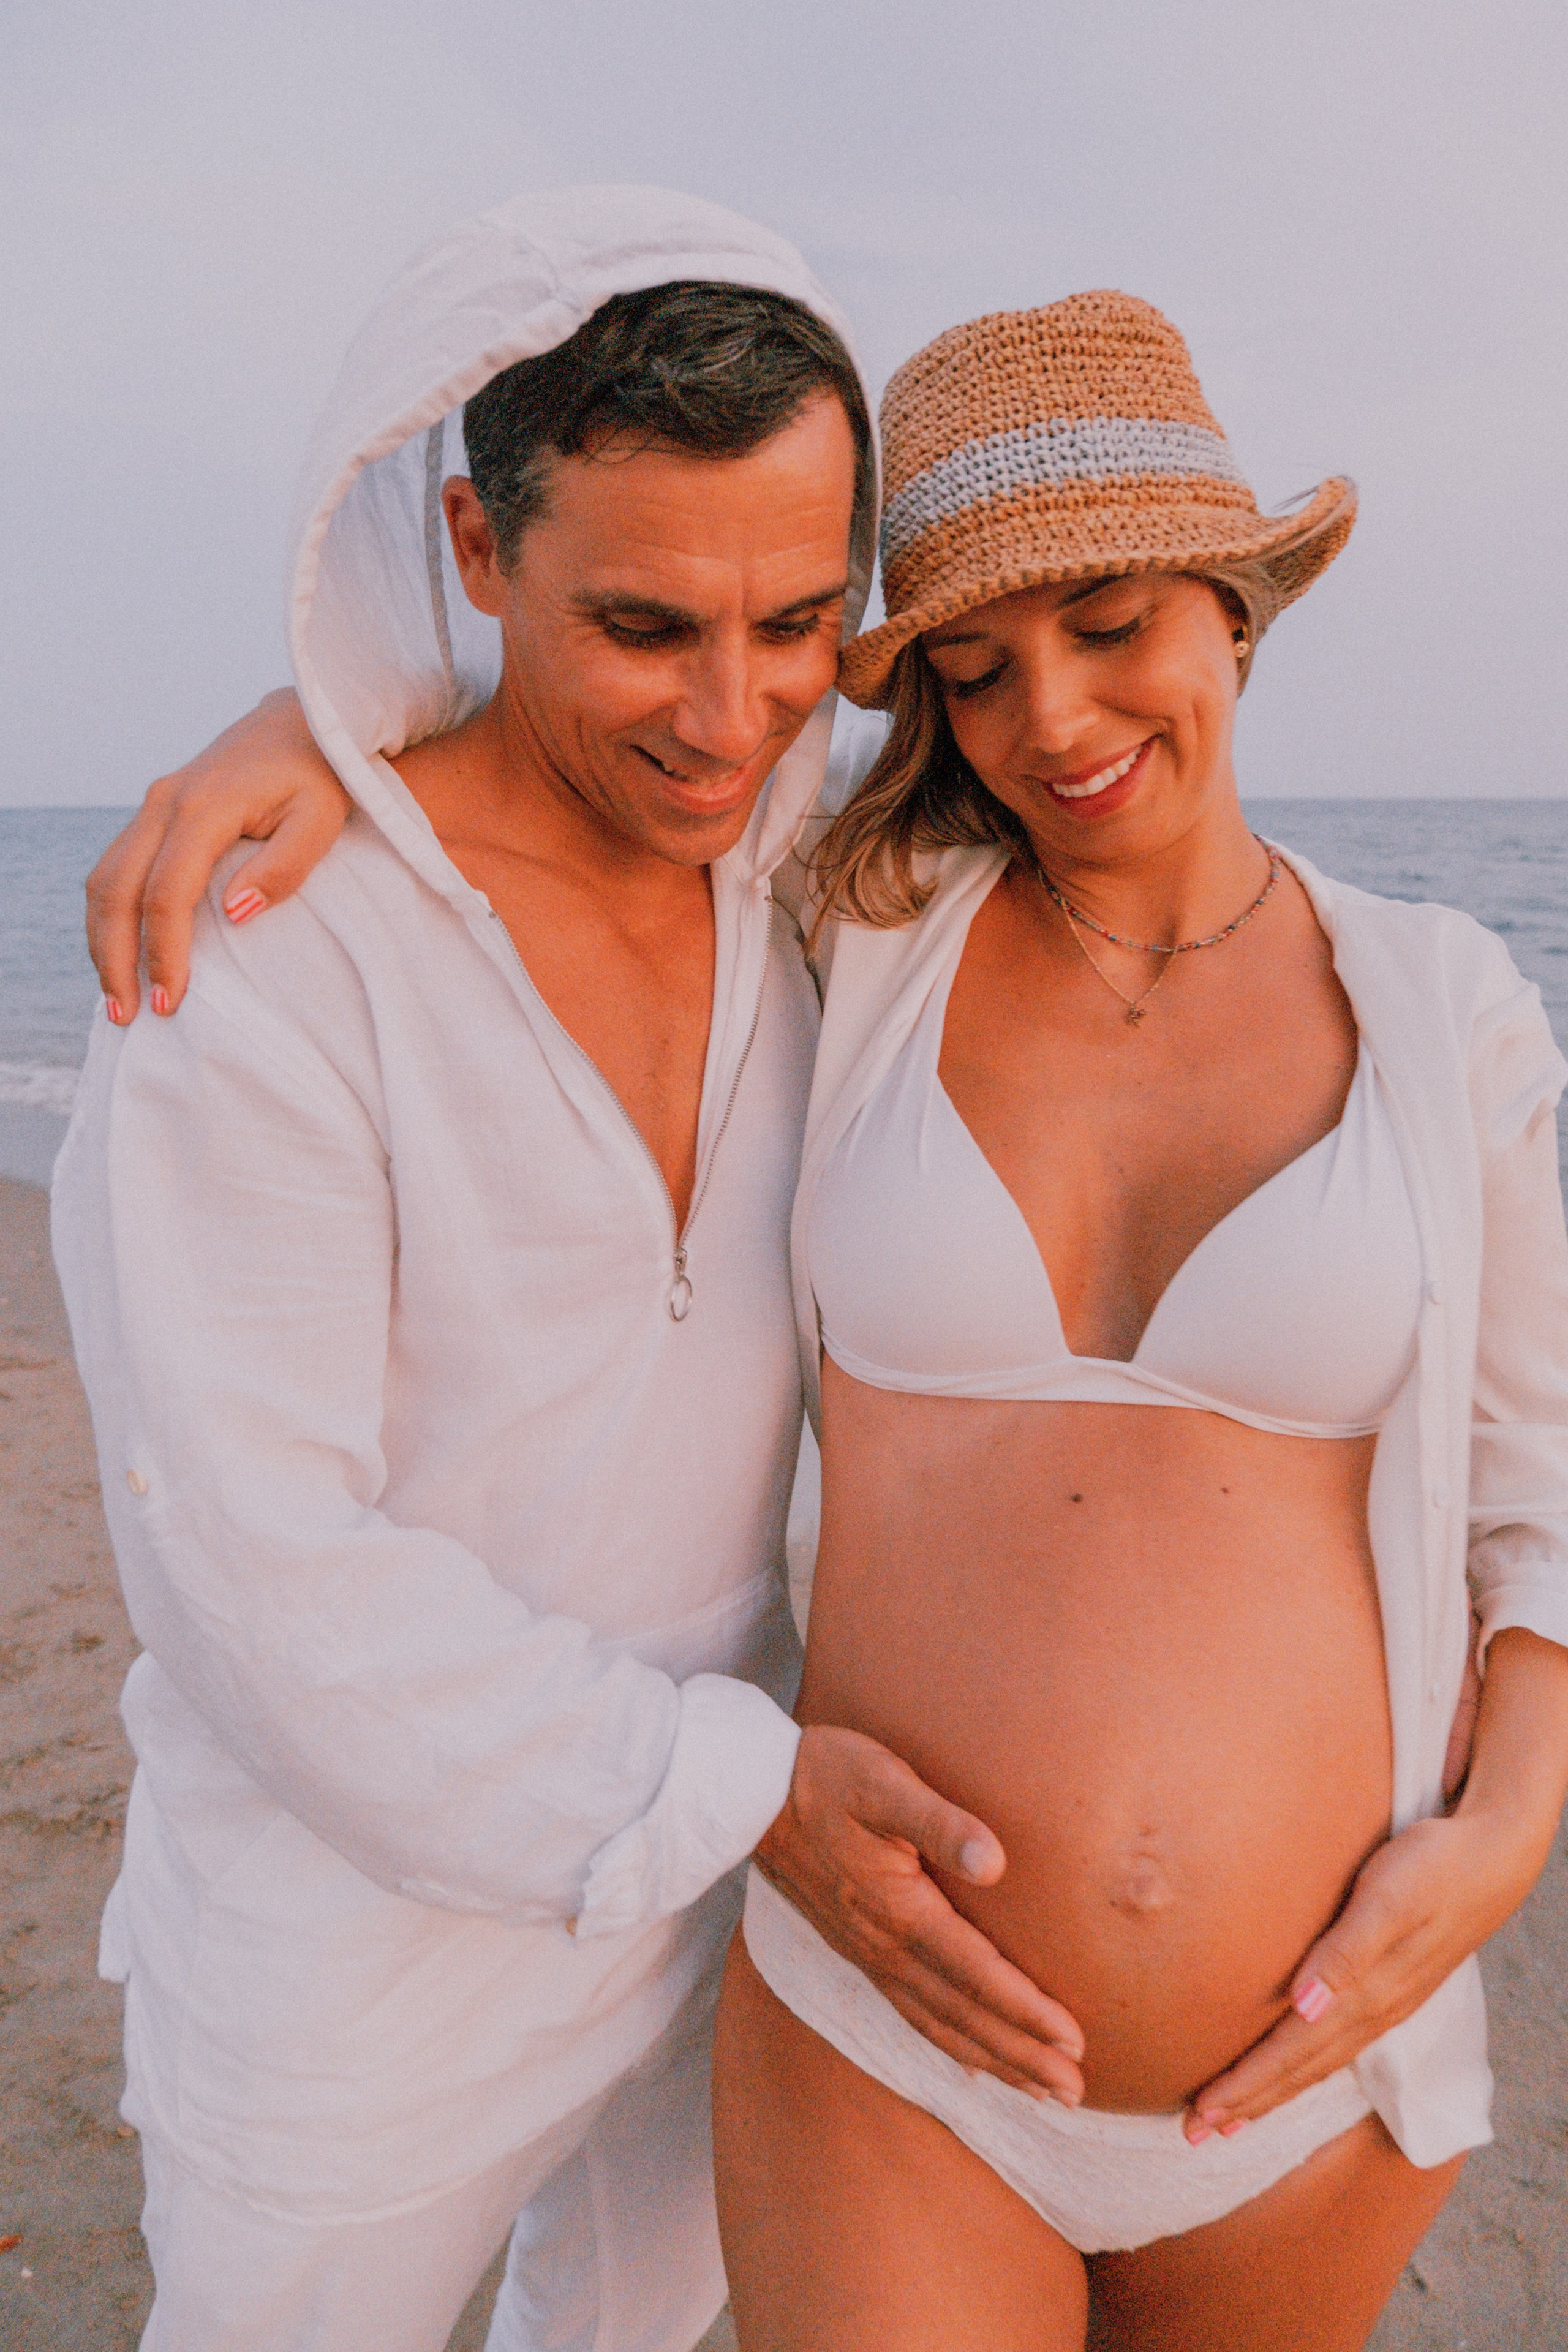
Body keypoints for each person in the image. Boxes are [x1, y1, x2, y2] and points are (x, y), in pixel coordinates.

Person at [55, 190, 1080, 2352]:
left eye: (801, 623)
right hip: (360, 1973)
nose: (735, 713)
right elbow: (263, 1570)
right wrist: (745, 1782)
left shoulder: (809, 866)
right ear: (473, 549)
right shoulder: (268, 962)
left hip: (725, 1927)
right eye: (644, 628)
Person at [706, 292, 1568, 2350]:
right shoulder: (853, 936)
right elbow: (555, 771)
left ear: (1238, 608)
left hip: (1315, 2076)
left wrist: (1509, 1841)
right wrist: (279, 745)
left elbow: (1541, 1494)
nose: (1052, 720)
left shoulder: (1443, 1005)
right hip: (882, 2039)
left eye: (1110, 622)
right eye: (976, 671)